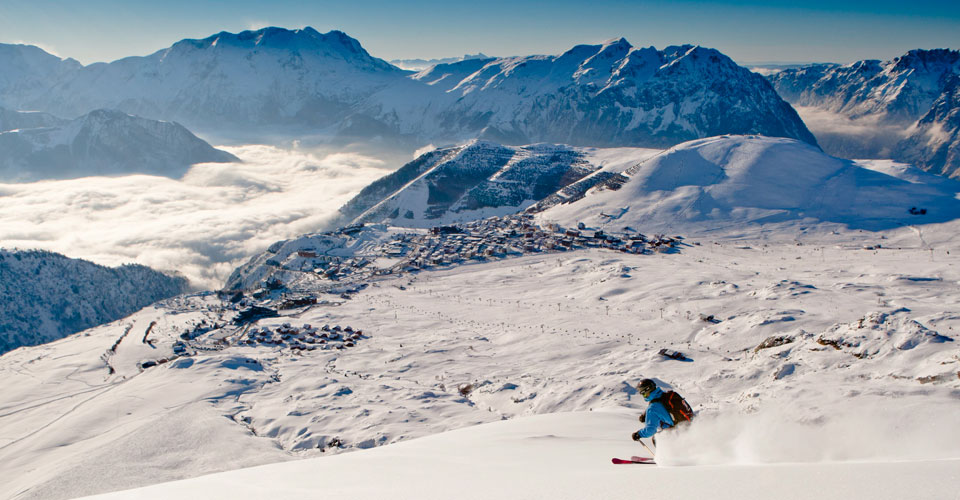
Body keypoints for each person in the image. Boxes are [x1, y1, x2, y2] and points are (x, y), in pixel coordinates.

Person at [631, 378, 689, 443]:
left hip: (679, 432)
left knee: (656, 438)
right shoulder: (665, 396)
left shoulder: (652, 408)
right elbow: (661, 409)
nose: (644, 396)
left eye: (643, 394)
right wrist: (646, 414)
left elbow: (650, 430)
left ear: (647, 391)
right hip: (687, 425)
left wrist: (638, 434)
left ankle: (669, 452)